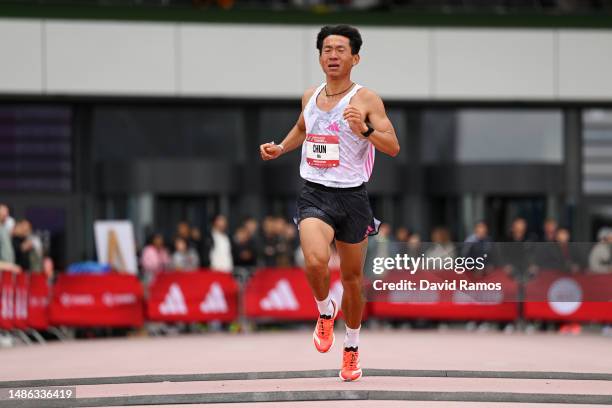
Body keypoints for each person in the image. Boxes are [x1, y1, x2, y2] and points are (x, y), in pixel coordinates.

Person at [260, 25, 400, 382]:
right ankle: (325, 311)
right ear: (320, 56)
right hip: (315, 192)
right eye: (326, 50)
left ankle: (351, 348)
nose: (333, 56)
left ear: (355, 57)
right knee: (315, 260)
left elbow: (393, 146)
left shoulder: (366, 100)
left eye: (340, 50)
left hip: (352, 197)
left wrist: (365, 131)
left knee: (352, 280)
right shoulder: (310, 94)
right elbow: (303, 129)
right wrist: (281, 147)